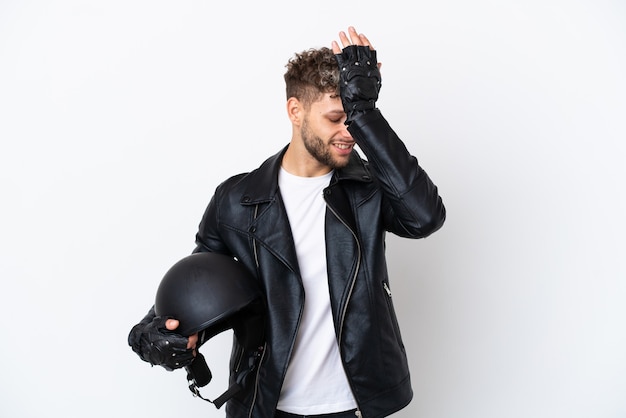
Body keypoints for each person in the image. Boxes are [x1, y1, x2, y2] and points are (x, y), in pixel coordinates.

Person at [128, 26, 446, 418]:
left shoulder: (370, 188)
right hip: (266, 403)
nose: (350, 133)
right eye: (336, 118)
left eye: (355, 119)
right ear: (295, 111)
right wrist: (156, 329)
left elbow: (425, 217)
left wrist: (367, 112)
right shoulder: (237, 200)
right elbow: (202, 283)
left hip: (354, 405)